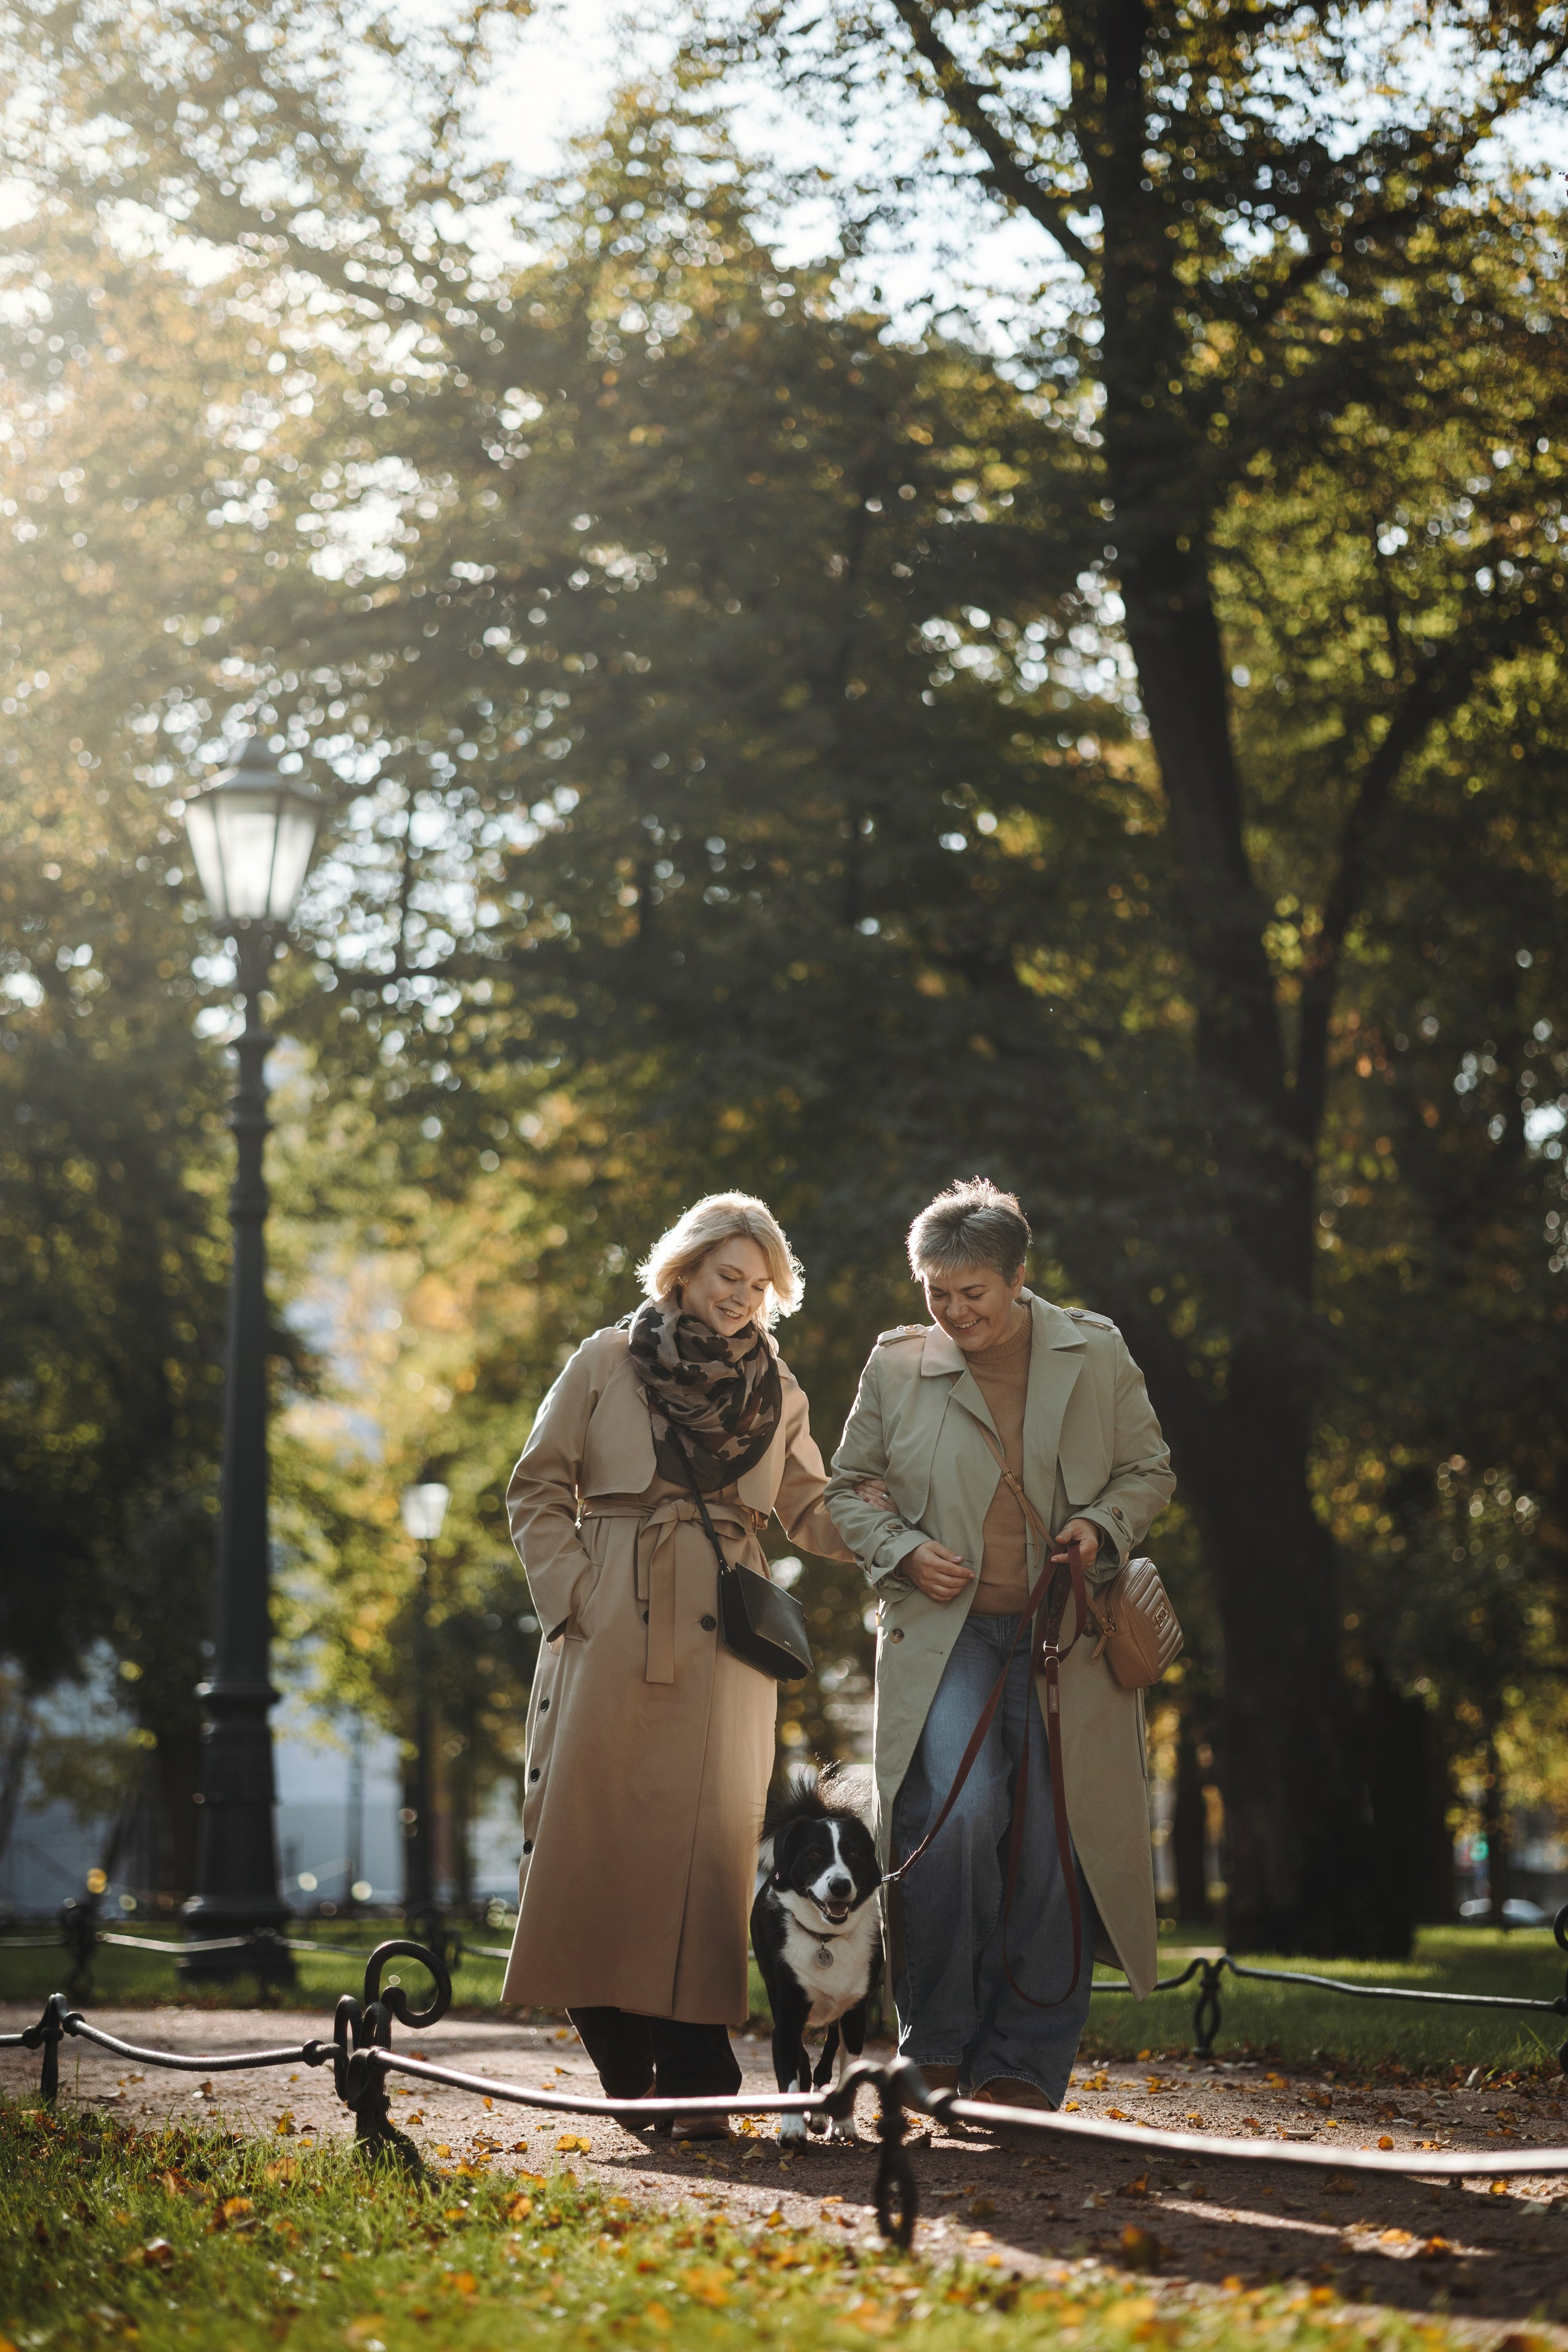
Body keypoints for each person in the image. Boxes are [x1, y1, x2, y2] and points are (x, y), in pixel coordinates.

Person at [500, 1192, 851, 2138]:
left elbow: (814, 1508)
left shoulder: (777, 1388)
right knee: (591, 1851)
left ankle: (698, 2080)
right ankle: (627, 2075)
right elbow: (536, 1487)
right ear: (685, 1270)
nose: (742, 1296)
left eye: (760, 1285)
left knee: (707, 1864)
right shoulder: (606, 1359)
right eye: (729, 1275)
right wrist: (577, 1597)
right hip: (611, 1625)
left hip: (723, 1650)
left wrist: (899, 1529)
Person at [826, 1177, 1175, 2112]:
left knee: (1054, 1839)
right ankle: (937, 2042)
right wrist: (904, 1551)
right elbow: (847, 1488)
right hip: (949, 1638)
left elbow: (1148, 1468)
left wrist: (1101, 1526)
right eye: (936, 1292)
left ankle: (1023, 2061)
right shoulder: (897, 1365)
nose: (953, 1312)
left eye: (972, 1292)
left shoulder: (1094, 1351)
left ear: (1018, 1279)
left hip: (1069, 1637)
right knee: (956, 1814)